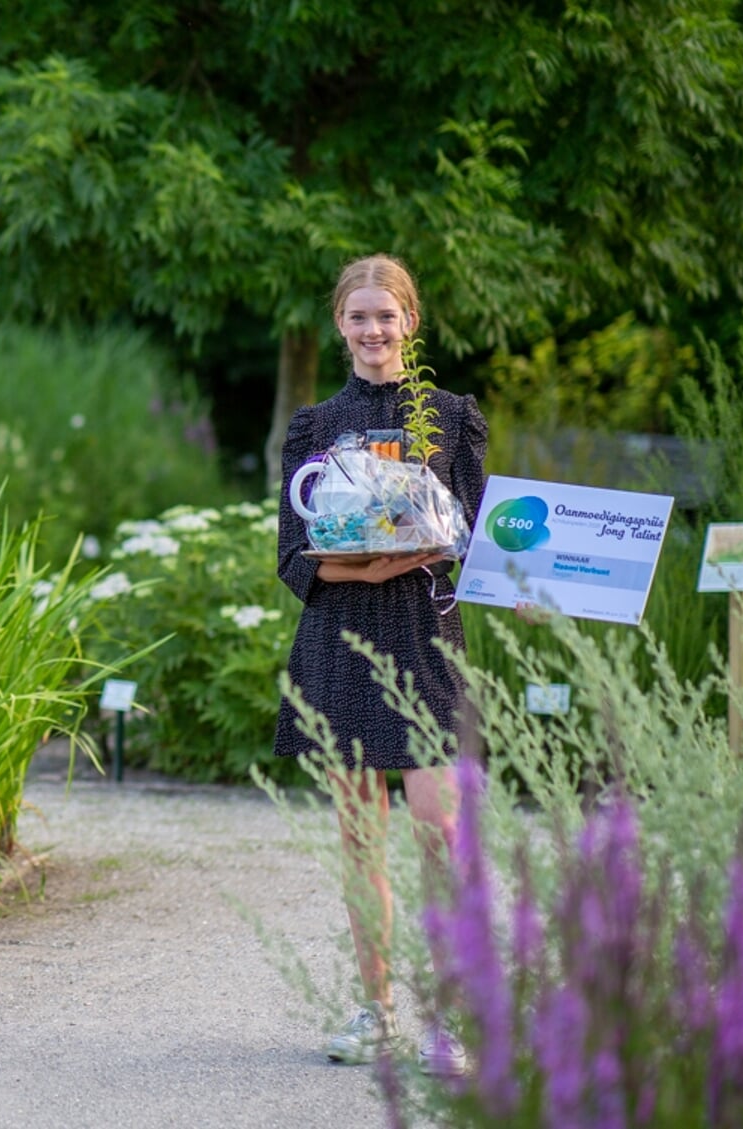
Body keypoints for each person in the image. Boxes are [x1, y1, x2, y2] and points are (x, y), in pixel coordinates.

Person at [273, 254, 487, 1076]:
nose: (372, 331)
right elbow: (294, 556)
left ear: (410, 322)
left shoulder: (450, 415)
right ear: (339, 326)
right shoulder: (313, 425)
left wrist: (499, 570)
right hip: (341, 639)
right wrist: (368, 563)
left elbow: (474, 533)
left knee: (439, 833)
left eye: (385, 316)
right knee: (361, 838)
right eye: (357, 317)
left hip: (424, 639)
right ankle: (375, 1009)